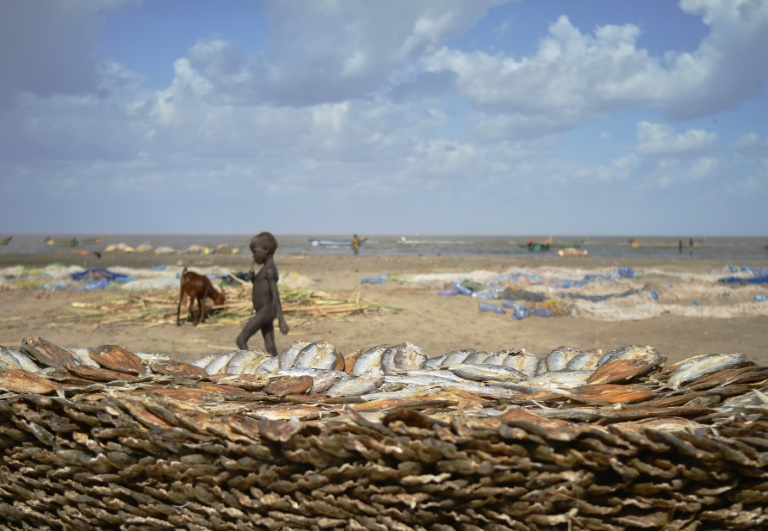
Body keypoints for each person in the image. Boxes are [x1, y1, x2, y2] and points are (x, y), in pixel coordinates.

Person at [236, 232, 289, 355]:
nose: (253, 256)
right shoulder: (265, 269)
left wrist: (281, 319)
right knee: (270, 345)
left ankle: (249, 361)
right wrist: (253, 279)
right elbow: (261, 289)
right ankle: (277, 363)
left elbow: (275, 295)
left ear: (266, 250)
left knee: (241, 340)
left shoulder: (269, 270)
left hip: (265, 311)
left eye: (255, 252)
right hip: (265, 311)